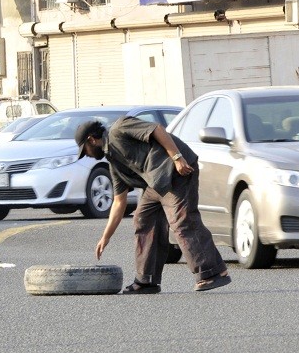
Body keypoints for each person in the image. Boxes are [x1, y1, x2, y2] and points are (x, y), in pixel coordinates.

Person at [75, 118, 231, 294]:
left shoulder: (119, 128)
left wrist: (177, 157)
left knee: (182, 222)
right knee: (143, 219)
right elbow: (119, 201)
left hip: (177, 171)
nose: (86, 155)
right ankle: (146, 280)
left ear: (91, 140)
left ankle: (213, 272)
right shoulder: (114, 162)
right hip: (157, 183)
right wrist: (105, 237)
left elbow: (157, 129)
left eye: (85, 150)